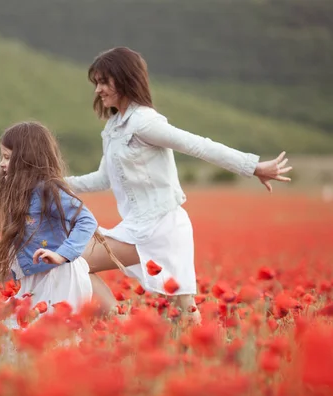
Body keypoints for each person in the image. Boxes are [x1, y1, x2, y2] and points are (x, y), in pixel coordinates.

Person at [65, 47, 293, 323]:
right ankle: (199, 352)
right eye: (96, 83)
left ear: (125, 78)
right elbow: (103, 178)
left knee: (77, 261)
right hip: (141, 225)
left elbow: (197, 145)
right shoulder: (115, 128)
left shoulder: (144, 123)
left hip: (159, 225)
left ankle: (119, 324)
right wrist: (55, 183)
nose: (98, 90)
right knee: (185, 314)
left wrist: (253, 166)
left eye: (104, 81)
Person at [0, 121, 124, 318]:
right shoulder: (22, 196)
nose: (2, 163)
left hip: (59, 278)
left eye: (7, 157)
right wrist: (5, 273)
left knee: (42, 332)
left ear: (26, 159)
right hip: (38, 280)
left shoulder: (48, 191)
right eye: (2, 157)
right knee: (0, 327)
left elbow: (86, 221)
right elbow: (26, 249)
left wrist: (62, 254)